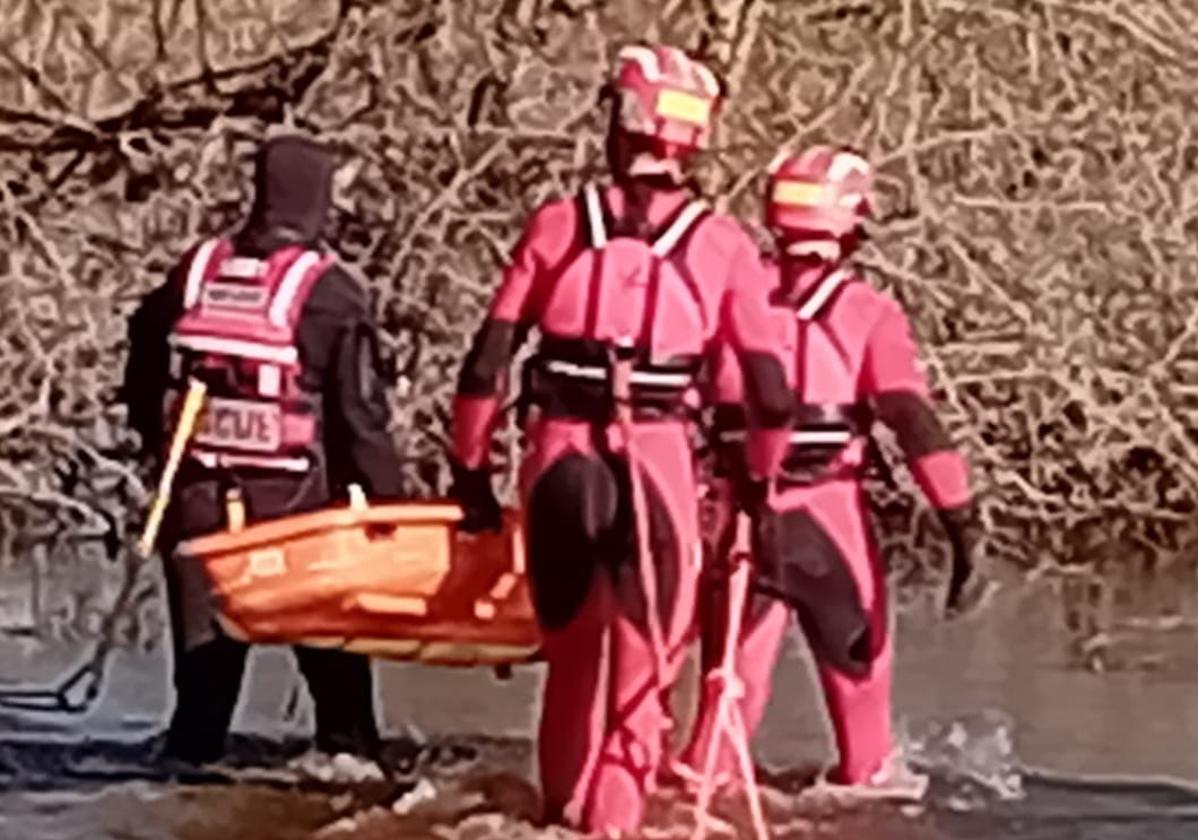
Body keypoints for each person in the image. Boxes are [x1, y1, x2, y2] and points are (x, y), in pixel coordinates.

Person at [447, 44, 794, 836]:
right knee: (643, 683)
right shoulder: (723, 246)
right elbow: (771, 395)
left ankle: (558, 818)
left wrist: (470, 477)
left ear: (618, 124)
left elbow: (484, 367)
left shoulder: (559, 225)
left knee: (571, 670)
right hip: (658, 467)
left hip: (559, 464)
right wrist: (760, 494)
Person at [676, 145, 985, 797]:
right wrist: (961, 528)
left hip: (739, 521)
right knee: (867, 735)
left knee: (724, 707)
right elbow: (913, 423)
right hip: (828, 520)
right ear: (852, 223)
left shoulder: (731, 296)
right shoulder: (868, 315)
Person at [121, 133, 406, 768]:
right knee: (345, 723)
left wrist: (154, 441)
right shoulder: (331, 293)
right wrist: (394, 513)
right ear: (319, 202)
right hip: (298, 526)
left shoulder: (194, 272)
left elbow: (142, 363)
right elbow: (362, 422)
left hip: (197, 515)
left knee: (198, 716)